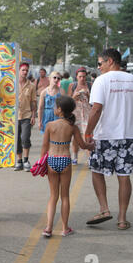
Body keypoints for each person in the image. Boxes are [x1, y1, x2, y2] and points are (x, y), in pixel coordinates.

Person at [84, 48, 133, 230]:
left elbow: (96, 109)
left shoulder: (101, 81)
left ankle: (104, 209)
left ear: (110, 61)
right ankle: (122, 219)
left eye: (100, 63)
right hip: (129, 135)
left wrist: (88, 132)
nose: (99, 66)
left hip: (105, 135)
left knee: (97, 170)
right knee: (124, 175)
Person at [40, 96, 93, 238]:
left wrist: (41, 162)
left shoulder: (50, 125)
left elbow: (44, 146)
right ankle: (64, 228)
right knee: (64, 196)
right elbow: (82, 145)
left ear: (59, 110)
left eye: (55, 107)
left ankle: (48, 228)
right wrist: (91, 145)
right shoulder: (72, 127)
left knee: (53, 196)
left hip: (52, 160)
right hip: (65, 160)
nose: (53, 109)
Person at [15, 63, 37, 172]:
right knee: (17, 139)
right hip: (15, 116)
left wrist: (33, 116)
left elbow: (33, 102)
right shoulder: (13, 84)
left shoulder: (31, 85)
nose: (25, 72)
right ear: (19, 70)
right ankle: (19, 161)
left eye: (26, 70)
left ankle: (26, 160)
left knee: (25, 137)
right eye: (23, 70)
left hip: (26, 115)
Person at [68, 67, 92, 165]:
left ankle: (90, 158)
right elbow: (68, 100)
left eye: (84, 76)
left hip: (87, 114)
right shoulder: (72, 86)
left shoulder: (90, 85)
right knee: (75, 137)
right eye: (80, 76)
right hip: (75, 114)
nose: (82, 78)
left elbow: (93, 101)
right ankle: (75, 157)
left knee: (87, 136)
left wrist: (87, 95)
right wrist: (74, 97)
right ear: (77, 77)